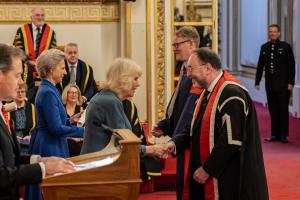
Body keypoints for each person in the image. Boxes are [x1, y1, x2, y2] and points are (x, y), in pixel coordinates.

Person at [163, 48, 269, 200]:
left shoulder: (231, 93)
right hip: (216, 173)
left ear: (207, 68)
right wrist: (174, 144)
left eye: (191, 68)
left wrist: (207, 169)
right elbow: (195, 127)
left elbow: (231, 141)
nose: (187, 74)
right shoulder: (209, 92)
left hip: (230, 178)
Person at [0, 43, 75, 200]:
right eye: (17, 75)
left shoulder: (3, 110)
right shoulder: (46, 91)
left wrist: (38, 160)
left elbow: (10, 160)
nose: (21, 81)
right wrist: (42, 168)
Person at [25, 49, 84, 200]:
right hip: (50, 146)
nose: (65, 72)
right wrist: (83, 132)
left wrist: (71, 120)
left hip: (50, 141)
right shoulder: (48, 92)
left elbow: (54, 121)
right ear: (51, 69)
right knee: (52, 190)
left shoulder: (50, 89)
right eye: (62, 68)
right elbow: (55, 129)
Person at [151, 26, 201, 200]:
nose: (174, 49)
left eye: (177, 44)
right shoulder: (185, 68)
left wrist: (176, 139)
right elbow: (181, 104)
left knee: (188, 189)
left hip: (191, 142)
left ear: (191, 44)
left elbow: (191, 111)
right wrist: (166, 126)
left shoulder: (199, 71)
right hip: (182, 138)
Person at [81, 58, 164, 157]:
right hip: (101, 165)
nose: (138, 84)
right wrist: (151, 149)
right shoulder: (110, 102)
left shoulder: (107, 97)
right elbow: (123, 143)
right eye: (135, 79)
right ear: (123, 79)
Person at [255, 24, 295, 143]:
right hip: (270, 84)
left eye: (274, 31)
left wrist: (290, 82)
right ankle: (274, 134)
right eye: (270, 31)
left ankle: (283, 135)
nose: (272, 33)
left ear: (279, 33)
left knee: (283, 109)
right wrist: (257, 81)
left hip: (283, 85)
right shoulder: (264, 47)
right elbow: (260, 65)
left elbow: (291, 66)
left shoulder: (285, 47)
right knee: (273, 109)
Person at [13, 7, 57, 102]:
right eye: (37, 15)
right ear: (31, 17)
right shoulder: (22, 31)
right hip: (26, 70)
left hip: (44, 71)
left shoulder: (51, 32)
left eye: (42, 15)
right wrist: (30, 62)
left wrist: (41, 63)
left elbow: (53, 54)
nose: (40, 18)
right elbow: (17, 51)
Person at [8, 83, 36, 154]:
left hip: (29, 144)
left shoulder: (32, 107)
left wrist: (31, 136)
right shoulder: (7, 107)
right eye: (18, 92)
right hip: (12, 144)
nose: (20, 94)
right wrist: (13, 137)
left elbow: (38, 127)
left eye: (22, 91)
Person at [61, 84, 84, 157]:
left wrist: (80, 138)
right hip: (63, 141)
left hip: (78, 144)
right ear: (66, 94)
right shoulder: (61, 109)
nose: (73, 95)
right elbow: (58, 127)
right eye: (71, 92)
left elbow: (86, 129)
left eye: (76, 93)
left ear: (78, 95)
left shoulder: (82, 110)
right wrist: (71, 137)